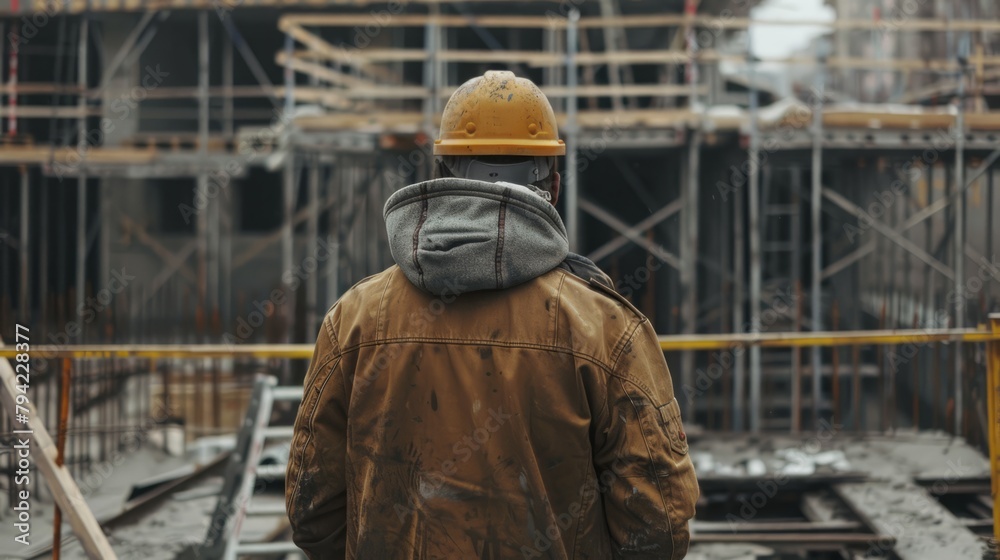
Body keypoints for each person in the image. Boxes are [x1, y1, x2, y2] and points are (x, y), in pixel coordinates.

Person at [285, 70, 699, 560]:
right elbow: (658, 522)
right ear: (556, 183)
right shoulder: (604, 327)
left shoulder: (355, 318)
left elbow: (311, 506)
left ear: (443, 173)